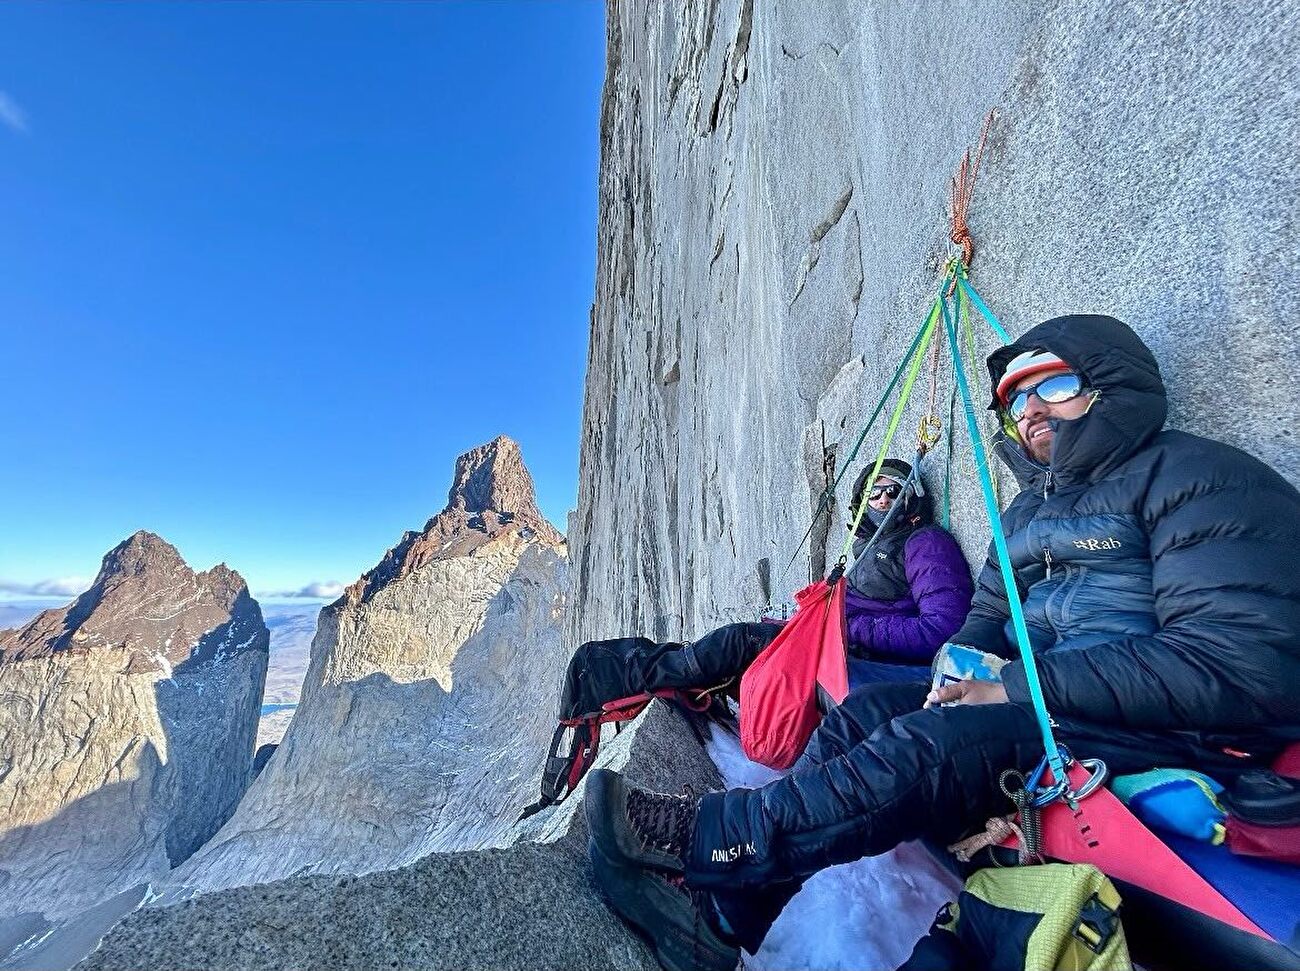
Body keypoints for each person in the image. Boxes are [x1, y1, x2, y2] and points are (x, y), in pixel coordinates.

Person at [584, 314, 1300, 971]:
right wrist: (954, 669)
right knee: (867, 717)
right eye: (1017, 399)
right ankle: (725, 911)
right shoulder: (1026, 511)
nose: (1032, 410)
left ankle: (705, 839)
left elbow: (1238, 663)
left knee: (930, 745)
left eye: (1053, 382)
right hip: (1056, 712)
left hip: (1164, 727)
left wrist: (1013, 688)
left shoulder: (1197, 477)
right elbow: (982, 619)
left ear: (1111, 384)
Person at [564, 456, 972, 712]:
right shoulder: (871, 547)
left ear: (912, 499)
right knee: (741, 650)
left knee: (738, 643)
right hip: (835, 642)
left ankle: (630, 676)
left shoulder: (925, 543)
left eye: (893, 489)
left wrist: (846, 628)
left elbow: (944, 631)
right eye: (873, 491)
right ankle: (637, 675)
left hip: (858, 653)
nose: (882, 499)